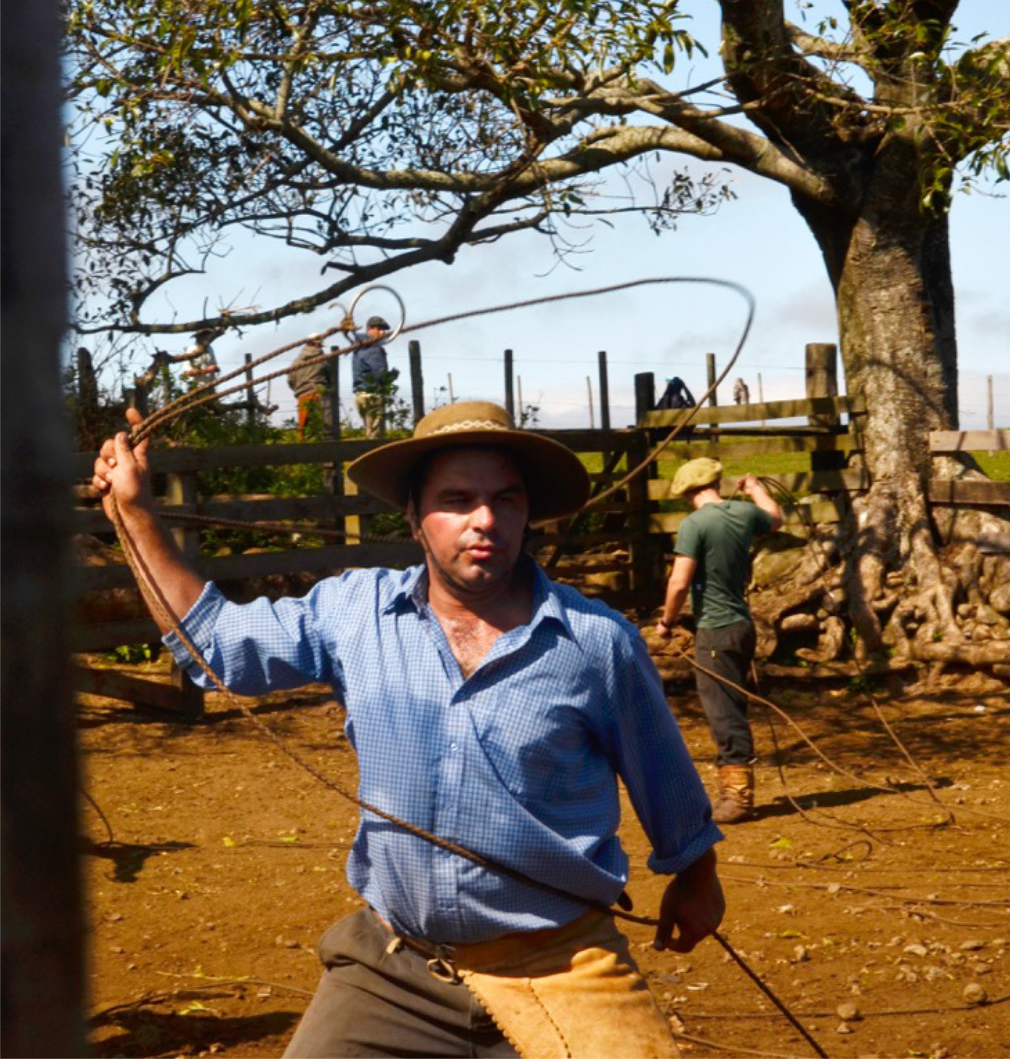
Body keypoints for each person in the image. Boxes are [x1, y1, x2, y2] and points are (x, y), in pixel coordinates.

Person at [92, 399, 725, 1058]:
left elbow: (664, 773)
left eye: (505, 499)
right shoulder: (354, 612)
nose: (485, 520)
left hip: (562, 962)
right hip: (396, 967)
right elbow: (219, 646)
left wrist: (697, 874)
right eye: (457, 499)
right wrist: (135, 515)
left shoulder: (595, 641)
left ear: (527, 513)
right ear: (414, 516)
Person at [655, 458, 783, 825]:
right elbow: (776, 518)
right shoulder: (744, 513)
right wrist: (755, 488)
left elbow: (679, 582)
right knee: (733, 705)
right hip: (742, 626)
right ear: (716, 483)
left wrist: (666, 621)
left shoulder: (694, 524)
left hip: (715, 629)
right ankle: (735, 789)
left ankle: (737, 796)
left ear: (687, 494)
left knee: (723, 711)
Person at [347, 315, 398, 438]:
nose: (382, 332)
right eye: (379, 329)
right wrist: (392, 376)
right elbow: (380, 373)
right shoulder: (374, 348)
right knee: (375, 437)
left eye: (383, 329)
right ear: (369, 329)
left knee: (369, 432)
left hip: (360, 395)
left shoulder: (358, 346)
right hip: (373, 395)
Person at [286, 327, 339, 437]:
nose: (321, 348)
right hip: (319, 394)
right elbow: (331, 377)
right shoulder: (323, 359)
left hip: (302, 397)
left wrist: (299, 390)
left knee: (304, 431)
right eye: (320, 345)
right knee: (325, 429)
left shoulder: (296, 361)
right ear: (316, 344)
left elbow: (290, 380)